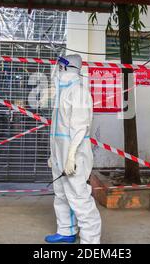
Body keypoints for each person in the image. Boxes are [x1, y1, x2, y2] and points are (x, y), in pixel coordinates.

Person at [44, 54, 102, 244]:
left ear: (67, 68)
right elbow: (57, 130)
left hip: (75, 153)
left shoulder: (78, 91)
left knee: (79, 196)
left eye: (59, 66)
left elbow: (80, 127)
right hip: (61, 152)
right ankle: (66, 231)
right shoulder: (62, 92)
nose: (56, 70)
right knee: (61, 193)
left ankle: (90, 241)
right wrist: (54, 155)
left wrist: (70, 157)